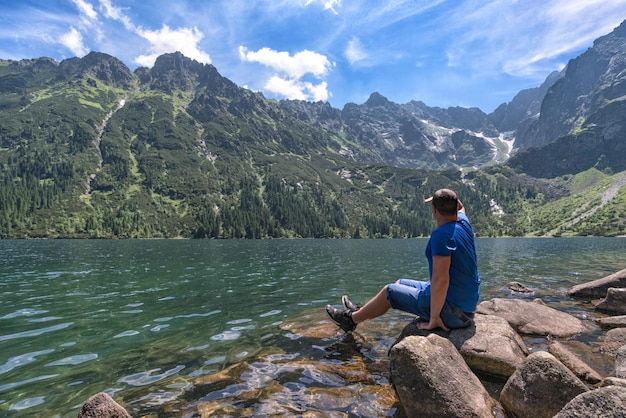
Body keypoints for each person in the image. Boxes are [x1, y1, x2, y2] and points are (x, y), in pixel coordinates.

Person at [326, 188, 480, 332]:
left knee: (390, 291)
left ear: (434, 210)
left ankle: (350, 320)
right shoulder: (463, 222)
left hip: (454, 313)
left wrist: (434, 319)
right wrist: (446, 197)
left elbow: (441, 281)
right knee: (399, 283)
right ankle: (361, 311)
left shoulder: (442, 236)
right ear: (453, 206)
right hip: (465, 305)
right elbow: (460, 207)